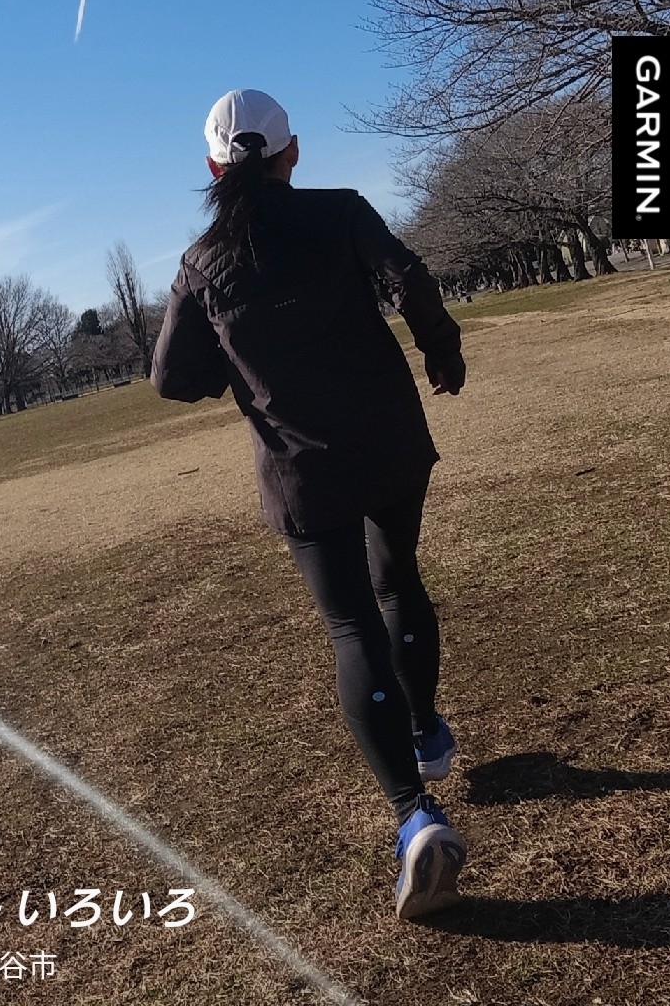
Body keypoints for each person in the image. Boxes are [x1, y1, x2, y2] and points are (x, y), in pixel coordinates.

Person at [150, 89, 468, 920]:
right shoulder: (342, 211)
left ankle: (414, 817)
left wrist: (237, 364)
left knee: (351, 625)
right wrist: (442, 348)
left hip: (301, 469)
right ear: (293, 152)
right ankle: (426, 732)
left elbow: (171, 377)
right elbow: (408, 276)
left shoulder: (201, 262)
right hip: (390, 440)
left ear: (212, 166)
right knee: (399, 581)